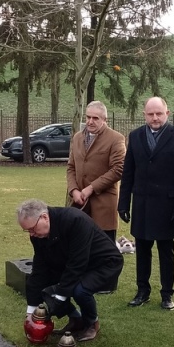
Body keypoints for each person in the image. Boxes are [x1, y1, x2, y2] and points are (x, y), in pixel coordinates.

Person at [118, 96, 174, 310]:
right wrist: (123, 203)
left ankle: (167, 294)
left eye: (159, 113)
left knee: (166, 251)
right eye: (150, 114)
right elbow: (128, 172)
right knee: (142, 249)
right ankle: (142, 291)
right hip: (142, 203)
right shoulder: (135, 136)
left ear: (167, 114)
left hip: (167, 207)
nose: (155, 118)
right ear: (145, 115)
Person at [18, 199, 124, 342]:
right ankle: (76, 319)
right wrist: (30, 312)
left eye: (32, 229)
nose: (31, 234)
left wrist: (60, 296)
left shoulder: (75, 220)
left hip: (104, 263)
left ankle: (92, 323)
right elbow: (40, 267)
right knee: (46, 288)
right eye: (27, 231)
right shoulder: (38, 234)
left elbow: (78, 263)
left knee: (79, 291)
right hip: (73, 261)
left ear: (44, 217)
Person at [66, 101, 126, 243]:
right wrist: (74, 190)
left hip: (103, 206)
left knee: (104, 254)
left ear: (105, 120)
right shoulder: (77, 137)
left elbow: (119, 169)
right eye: (88, 117)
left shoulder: (116, 139)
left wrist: (91, 188)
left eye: (95, 118)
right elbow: (71, 167)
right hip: (80, 205)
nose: (90, 121)